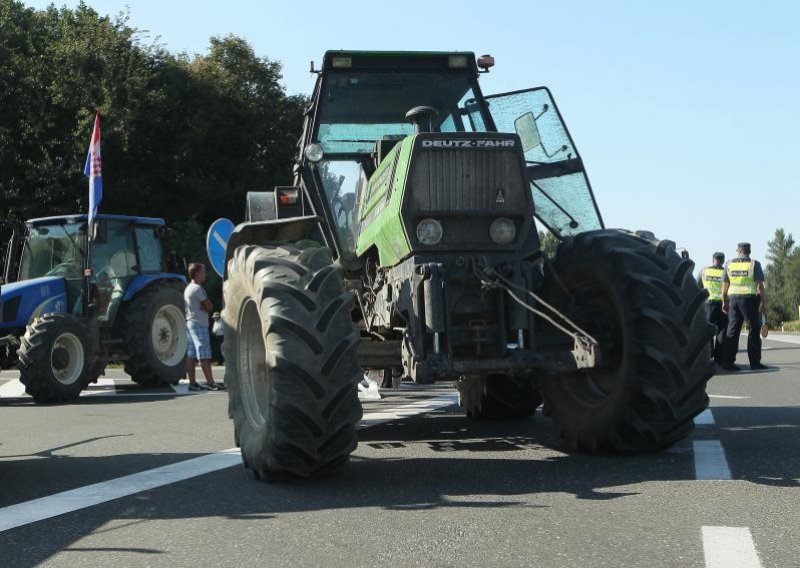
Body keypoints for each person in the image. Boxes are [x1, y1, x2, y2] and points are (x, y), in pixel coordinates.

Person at [721, 243, 768, 371]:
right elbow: (759, 286)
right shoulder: (754, 264)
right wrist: (763, 302)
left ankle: (728, 363)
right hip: (749, 300)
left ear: (740, 251)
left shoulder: (729, 264)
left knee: (732, 330)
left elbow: (725, 286)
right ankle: (755, 363)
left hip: (733, 300)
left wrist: (724, 302)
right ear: (749, 251)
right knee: (753, 329)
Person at [184, 263, 225, 390]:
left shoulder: (188, 288)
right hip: (199, 324)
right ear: (197, 273)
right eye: (203, 272)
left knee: (191, 355)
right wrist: (206, 306)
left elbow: (205, 306)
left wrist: (205, 306)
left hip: (190, 323)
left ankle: (192, 383)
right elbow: (210, 307)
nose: (205, 274)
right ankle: (211, 382)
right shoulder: (197, 289)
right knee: (204, 354)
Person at [697, 252, 727, 364]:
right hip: (723, 304)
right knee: (722, 331)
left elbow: (697, 286)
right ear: (723, 261)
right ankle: (719, 358)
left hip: (707, 304)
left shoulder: (704, 271)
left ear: (712, 259)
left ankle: (708, 355)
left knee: (708, 330)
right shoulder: (726, 272)